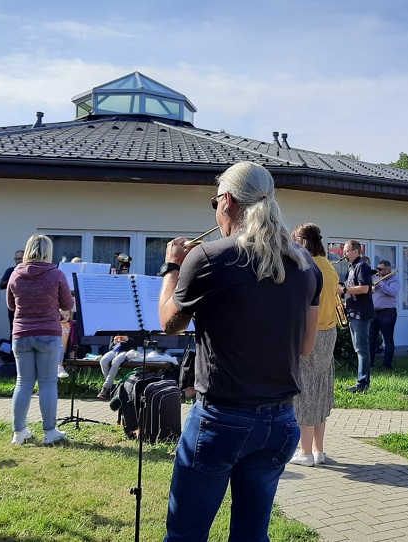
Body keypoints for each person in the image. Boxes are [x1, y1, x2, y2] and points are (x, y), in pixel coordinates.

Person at [157, 161, 321, 541]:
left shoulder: (209, 257)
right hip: (280, 422)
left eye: (215, 201)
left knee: (186, 534)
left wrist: (172, 267)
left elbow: (170, 324)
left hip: (221, 420)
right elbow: (306, 345)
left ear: (227, 201)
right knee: (251, 535)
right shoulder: (304, 262)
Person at [7, 234, 75, 446]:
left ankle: (19, 432)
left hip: (21, 333)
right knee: (47, 382)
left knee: (23, 382)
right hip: (48, 332)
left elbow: (11, 305)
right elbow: (68, 303)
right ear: (48, 251)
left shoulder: (16, 274)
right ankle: (50, 431)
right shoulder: (56, 274)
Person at [289, 222, 338, 467]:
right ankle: (319, 450)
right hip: (329, 332)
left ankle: (305, 452)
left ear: (300, 241)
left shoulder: (304, 267)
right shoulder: (328, 266)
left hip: (310, 331)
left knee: (305, 390)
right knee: (321, 388)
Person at [338, 240, 374, 393]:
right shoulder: (352, 267)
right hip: (354, 312)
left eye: (346, 251)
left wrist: (344, 291)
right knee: (358, 348)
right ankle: (361, 381)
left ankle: (363, 383)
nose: (344, 254)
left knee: (361, 349)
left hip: (361, 314)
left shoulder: (362, 266)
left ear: (355, 251)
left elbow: (365, 288)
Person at [368, 260, 400, 370]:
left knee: (388, 340)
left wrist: (380, 283)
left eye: (380, 269)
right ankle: (369, 363)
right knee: (370, 339)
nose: (378, 271)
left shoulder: (394, 280)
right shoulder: (375, 278)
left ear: (387, 269)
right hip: (374, 312)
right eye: (378, 269)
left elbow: (393, 292)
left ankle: (386, 366)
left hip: (388, 312)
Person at [96, 335, 133, 400]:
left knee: (116, 361)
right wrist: (114, 342)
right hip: (115, 351)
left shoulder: (134, 329)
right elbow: (110, 347)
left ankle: (105, 388)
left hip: (127, 351)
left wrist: (128, 339)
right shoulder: (116, 328)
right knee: (103, 360)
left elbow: (138, 343)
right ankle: (111, 386)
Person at [0, 249, 25, 337]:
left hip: (28, 308)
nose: (19, 261)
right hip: (14, 308)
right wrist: (13, 277)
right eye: (17, 259)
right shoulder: (11, 271)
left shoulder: (30, 271)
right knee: (14, 332)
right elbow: (1, 285)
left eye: (21, 259)